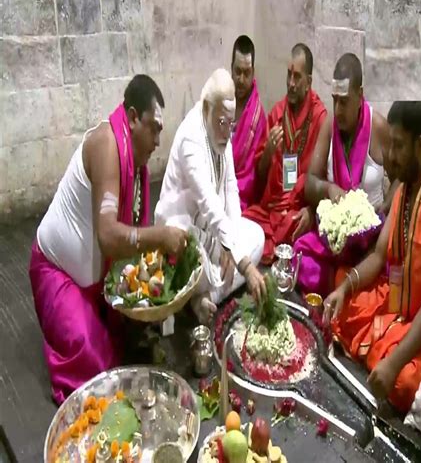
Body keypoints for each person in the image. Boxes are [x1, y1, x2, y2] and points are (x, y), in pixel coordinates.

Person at [29, 75, 188, 404]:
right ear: (131, 117)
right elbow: (108, 237)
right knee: (97, 365)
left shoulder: (137, 166)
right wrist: (160, 236)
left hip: (95, 282)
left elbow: (130, 242)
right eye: (154, 128)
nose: (159, 140)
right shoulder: (106, 144)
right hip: (56, 272)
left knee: (127, 340)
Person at [324, 101, 421, 412]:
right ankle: (382, 351)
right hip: (398, 301)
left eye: (398, 146)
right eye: (389, 145)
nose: (390, 157)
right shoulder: (408, 184)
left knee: (402, 381)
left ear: (420, 145)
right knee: (339, 289)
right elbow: (379, 255)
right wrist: (344, 288)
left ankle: (386, 360)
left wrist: (393, 365)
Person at [154, 69, 267, 324]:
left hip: (213, 233)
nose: (227, 132)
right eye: (222, 123)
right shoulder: (190, 138)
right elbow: (209, 203)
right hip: (184, 231)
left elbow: (230, 189)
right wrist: (245, 266)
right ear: (207, 108)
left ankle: (201, 298)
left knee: (257, 237)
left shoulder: (222, 131)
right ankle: (200, 290)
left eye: (231, 124)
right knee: (194, 257)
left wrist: (232, 243)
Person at [295, 53, 397, 296]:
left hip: (369, 244)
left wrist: (384, 209)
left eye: (344, 101)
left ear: (360, 95)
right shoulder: (330, 126)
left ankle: (344, 288)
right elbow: (309, 182)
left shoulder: (379, 127)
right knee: (299, 259)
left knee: (388, 284)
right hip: (334, 241)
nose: (338, 110)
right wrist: (328, 189)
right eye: (334, 101)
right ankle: (343, 287)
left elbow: (400, 179)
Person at [243, 43, 327, 264]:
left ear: (308, 82)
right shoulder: (277, 113)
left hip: (297, 209)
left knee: (292, 226)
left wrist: (311, 210)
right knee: (242, 222)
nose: (291, 83)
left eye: (297, 77)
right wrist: (269, 150)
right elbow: (259, 178)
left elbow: (324, 180)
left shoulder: (320, 118)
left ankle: (270, 250)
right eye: (289, 75)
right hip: (270, 209)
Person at [231, 35, 266, 210]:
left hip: (240, 198)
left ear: (253, 73)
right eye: (238, 72)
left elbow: (253, 177)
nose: (242, 79)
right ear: (231, 69)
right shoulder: (221, 101)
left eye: (246, 72)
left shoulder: (258, 118)